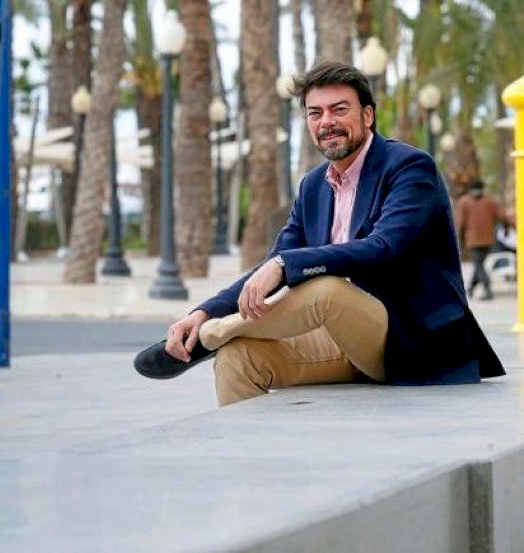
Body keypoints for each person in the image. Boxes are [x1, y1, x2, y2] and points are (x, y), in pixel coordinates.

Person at [134, 61, 504, 407]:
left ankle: (212, 337)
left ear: (368, 115)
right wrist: (204, 311)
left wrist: (284, 265)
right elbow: (273, 264)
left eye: (339, 110)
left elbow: (383, 248)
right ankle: (246, 446)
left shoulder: (409, 167)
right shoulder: (313, 185)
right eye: (315, 113)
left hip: (411, 340)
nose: (327, 121)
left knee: (325, 290)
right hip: (340, 339)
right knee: (238, 357)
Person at [455, 180, 507, 300]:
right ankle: (471, 288)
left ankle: (487, 289)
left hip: (472, 239)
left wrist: (460, 240)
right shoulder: (490, 201)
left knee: (478, 264)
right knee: (479, 263)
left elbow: (460, 224)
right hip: (488, 239)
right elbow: (502, 216)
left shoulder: (464, 202)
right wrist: (506, 228)